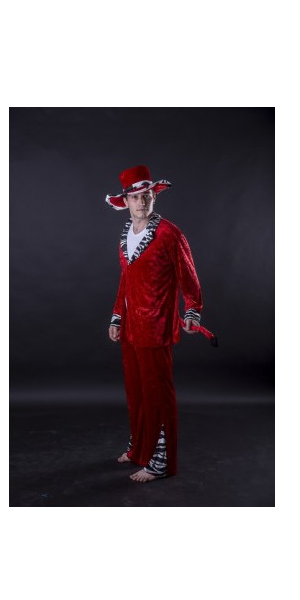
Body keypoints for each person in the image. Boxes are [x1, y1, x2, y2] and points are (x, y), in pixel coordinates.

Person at [105, 164, 203, 483]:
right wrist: (117, 315)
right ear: (125, 201)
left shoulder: (169, 234)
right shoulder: (125, 235)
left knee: (157, 393)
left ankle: (162, 462)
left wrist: (192, 310)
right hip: (131, 327)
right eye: (135, 197)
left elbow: (188, 275)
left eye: (146, 195)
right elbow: (126, 279)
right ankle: (140, 449)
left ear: (154, 197)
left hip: (156, 326)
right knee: (136, 392)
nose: (141, 201)